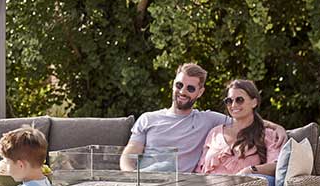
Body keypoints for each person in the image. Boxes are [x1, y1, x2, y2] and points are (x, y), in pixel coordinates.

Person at [121, 63, 283, 173]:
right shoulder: (148, 119)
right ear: (173, 84)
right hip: (144, 182)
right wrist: (131, 176)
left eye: (190, 88)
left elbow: (244, 119)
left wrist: (277, 128)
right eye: (179, 85)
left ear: (200, 92)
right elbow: (130, 152)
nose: (183, 91)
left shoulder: (208, 120)